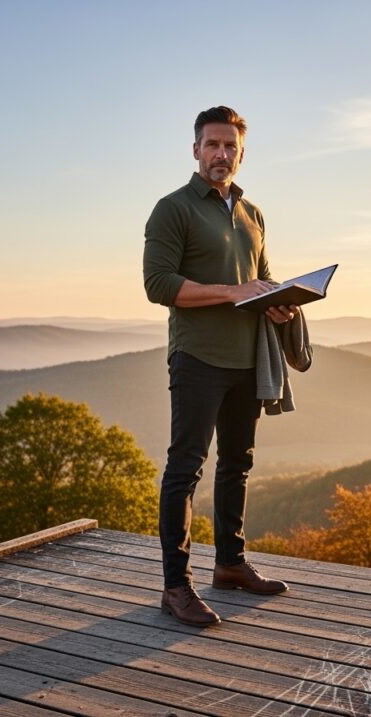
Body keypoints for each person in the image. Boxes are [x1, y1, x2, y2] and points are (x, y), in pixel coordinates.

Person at [143, 106, 293, 626]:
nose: (221, 154)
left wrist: (280, 301)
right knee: (185, 469)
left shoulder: (253, 213)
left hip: (248, 360)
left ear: (241, 153)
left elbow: (262, 276)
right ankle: (175, 586)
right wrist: (234, 292)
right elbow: (158, 285)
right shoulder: (173, 209)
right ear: (195, 150)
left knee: (238, 464)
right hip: (198, 357)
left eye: (230, 147)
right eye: (212, 145)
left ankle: (229, 565)